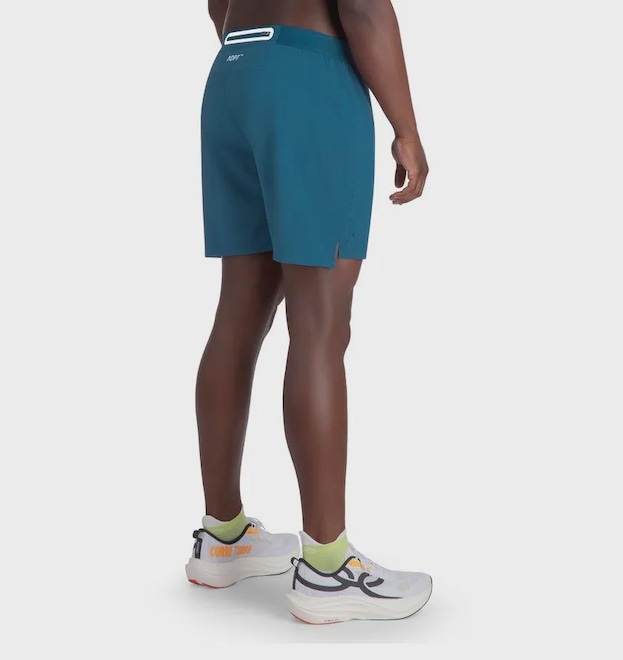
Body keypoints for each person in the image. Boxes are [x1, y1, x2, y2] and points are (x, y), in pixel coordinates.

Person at [186, 0, 432, 624]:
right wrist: (406, 128)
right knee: (319, 327)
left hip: (234, 72)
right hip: (308, 77)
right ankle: (326, 569)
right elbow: (363, 7)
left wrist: (258, 57)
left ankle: (223, 536)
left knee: (238, 312)